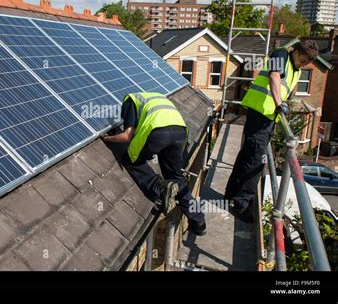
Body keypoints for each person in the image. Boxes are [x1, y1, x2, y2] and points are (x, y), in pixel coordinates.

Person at [225, 40, 319, 223]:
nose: (305, 64)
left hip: (268, 118)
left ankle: (231, 195)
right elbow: (274, 76)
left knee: (248, 156)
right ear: (296, 51)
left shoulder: (296, 70)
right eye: (304, 60)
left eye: (308, 62)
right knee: (255, 161)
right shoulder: (280, 54)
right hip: (260, 114)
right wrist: (279, 104)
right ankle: (242, 203)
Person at [102, 92, 206, 236]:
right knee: (175, 176)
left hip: (157, 131)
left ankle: (160, 188)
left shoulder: (129, 100)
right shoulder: (155, 96)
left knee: (131, 159)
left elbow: (127, 135)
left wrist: (108, 138)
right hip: (180, 132)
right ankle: (198, 221)